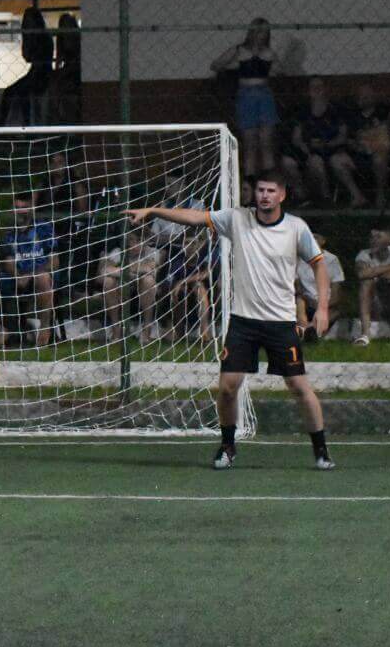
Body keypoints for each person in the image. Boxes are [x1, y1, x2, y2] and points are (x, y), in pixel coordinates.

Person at [125, 169, 334, 471]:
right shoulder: (236, 218)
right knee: (227, 387)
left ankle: (321, 450)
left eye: (271, 191)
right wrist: (154, 210)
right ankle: (227, 446)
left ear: (282, 195)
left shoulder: (296, 228)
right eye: (261, 190)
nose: (264, 196)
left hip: (280, 323)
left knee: (299, 386)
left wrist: (323, 309)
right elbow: (195, 218)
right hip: (243, 322)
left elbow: (319, 266)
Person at [211, 18, 279, 177]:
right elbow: (215, 65)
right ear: (252, 32)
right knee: (250, 143)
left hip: (264, 94)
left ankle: (268, 183)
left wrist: (271, 65)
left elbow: (280, 69)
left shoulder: (269, 52)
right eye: (258, 31)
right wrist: (234, 65)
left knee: (266, 141)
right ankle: (250, 183)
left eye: (264, 32)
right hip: (246, 95)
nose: (260, 35)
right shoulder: (239, 50)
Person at [285, 78, 361, 205]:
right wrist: (303, 145)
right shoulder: (302, 111)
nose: (316, 89)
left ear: (326, 89)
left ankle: (326, 198)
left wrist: (327, 144)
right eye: (313, 86)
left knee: (316, 161)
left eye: (319, 86)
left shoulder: (336, 109)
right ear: (308, 91)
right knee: (287, 161)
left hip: (331, 148)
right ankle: (302, 196)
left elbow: (343, 135)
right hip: (307, 148)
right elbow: (296, 137)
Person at [0, 192, 59, 345]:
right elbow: (8, 261)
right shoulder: (9, 231)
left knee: (43, 279)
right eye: (17, 207)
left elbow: (54, 261)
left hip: (39, 275)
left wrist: (31, 274)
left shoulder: (44, 228)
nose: (20, 211)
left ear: (31, 208)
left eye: (24, 207)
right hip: (15, 277)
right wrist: (18, 275)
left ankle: (45, 329)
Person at [353, 228, 390, 345]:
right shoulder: (364, 254)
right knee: (366, 283)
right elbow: (362, 274)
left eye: (378, 237)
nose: (374, 240)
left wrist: (374, 272)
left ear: (389, 239)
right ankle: (365, 334)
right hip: (375, 304)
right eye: (372, 237)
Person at [296, 232, 343, 340]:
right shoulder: (298, 259)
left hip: (326, 303)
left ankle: (310, 328)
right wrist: (308, 300)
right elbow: (298, 288)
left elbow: (336, 292)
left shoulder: (332, 260)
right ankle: (304, 326)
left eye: (315, 237)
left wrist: (322, 305)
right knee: (299, 300)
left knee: (336, 311)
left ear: (323, 241)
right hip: (306, 301)